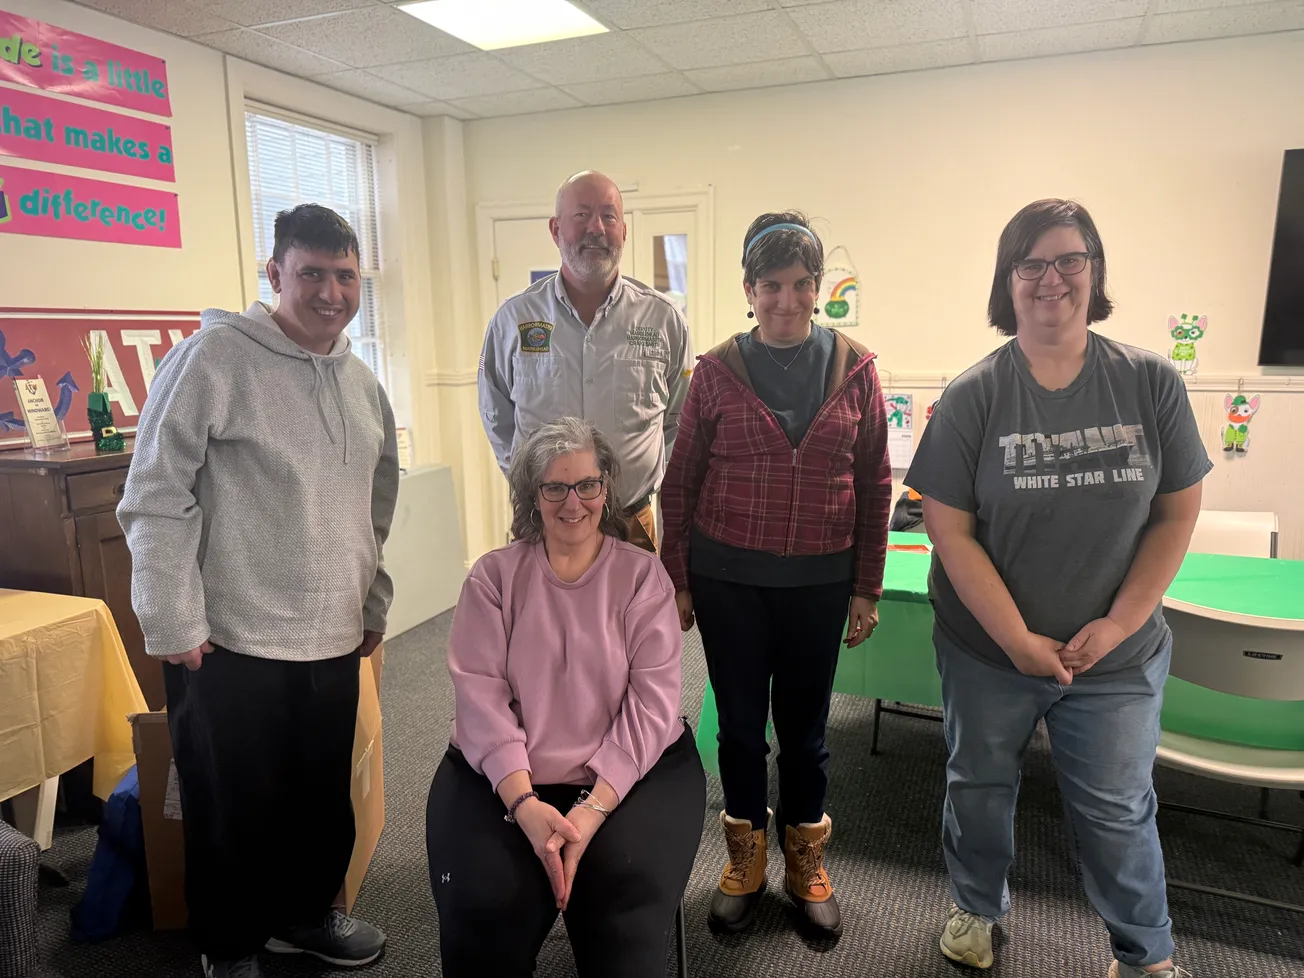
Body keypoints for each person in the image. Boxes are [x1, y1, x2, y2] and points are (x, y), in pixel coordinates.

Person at [905, 199, 1210, 977]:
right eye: (1032, 263)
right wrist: (1016, 640)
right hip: (988, 650)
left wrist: (1117, 624)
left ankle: (1144, 955)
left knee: (1115, 810)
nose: (1052, 278)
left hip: (1114, 654)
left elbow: (1175, 515)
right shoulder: (973, 396)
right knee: (978, 786)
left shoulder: (1149, 383)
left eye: (1070, 259)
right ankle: (976, 908)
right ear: (1008, 281)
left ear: (1095, 270)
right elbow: (950, 530)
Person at [118, 204, 398, 978]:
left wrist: (371, 602)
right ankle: (230, 945)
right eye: (311, 273)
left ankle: (306, 918)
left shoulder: (363, 382)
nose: (331, 292)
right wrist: (170, 614)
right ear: (274, 274)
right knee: (230, 808)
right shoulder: (212, 360)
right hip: (227, 637)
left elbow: (376, 505)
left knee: (317, 799)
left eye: (346, 276)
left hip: (333, 633)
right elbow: (154, 494)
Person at [660, 211, 893, 938]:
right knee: (737, 731)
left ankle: (804, 864)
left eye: (799, 285)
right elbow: (681, 481)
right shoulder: (717, 371)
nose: (785, 301)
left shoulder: (855, 368)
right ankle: (744, 862)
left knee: (807, 733)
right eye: (770, 286)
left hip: (820, 587)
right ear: (748, 290)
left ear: (817, 287)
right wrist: (679, 578)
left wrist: (866, 585)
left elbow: (877, 483)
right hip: (730, 580)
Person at [426, 417, 705, 978]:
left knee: (621, 909)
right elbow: (479, 698)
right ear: (533, 494)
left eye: (587, 485)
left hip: (633, 775)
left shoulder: (642, 576)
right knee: (484, 911)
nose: (572, 502)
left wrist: (592, 811)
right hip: (506, 776)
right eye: (555, 486)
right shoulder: (492, 578)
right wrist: (525, 806)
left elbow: (652, 706)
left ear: (607, 489)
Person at [478, 170, 694, 551]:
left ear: (624, 232)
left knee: (636, 612)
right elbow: (497, 413)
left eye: (609, 216)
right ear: (555, 228)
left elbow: (679, 420)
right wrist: (535, 483)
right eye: (581, 215)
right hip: (543, 523)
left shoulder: (664, 320)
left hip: (631, 521)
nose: (596, 227)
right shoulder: (514, 319)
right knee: (539, 613)